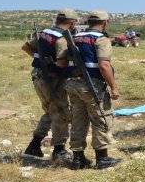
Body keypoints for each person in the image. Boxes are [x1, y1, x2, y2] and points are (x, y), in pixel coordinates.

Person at [65, 10, 122, 170]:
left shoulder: (74, 37)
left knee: (78, 120)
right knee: (101, 119)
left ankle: (78, 158)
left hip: (73, 85)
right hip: (92, 85)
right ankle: (102, 159)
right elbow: (104, 65)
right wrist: (114, 87)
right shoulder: (101, 39)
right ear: (105, 23)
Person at [21, 9, 77, 161]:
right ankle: (59, 150)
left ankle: (34, 145)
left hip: (38, 77)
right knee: (62, 114)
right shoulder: (61, 38)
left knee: (50, 112)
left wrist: (41, 61)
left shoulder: (44, 33)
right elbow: (61, 62)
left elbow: (26, 47)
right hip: (52, 81)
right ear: (72, 22)